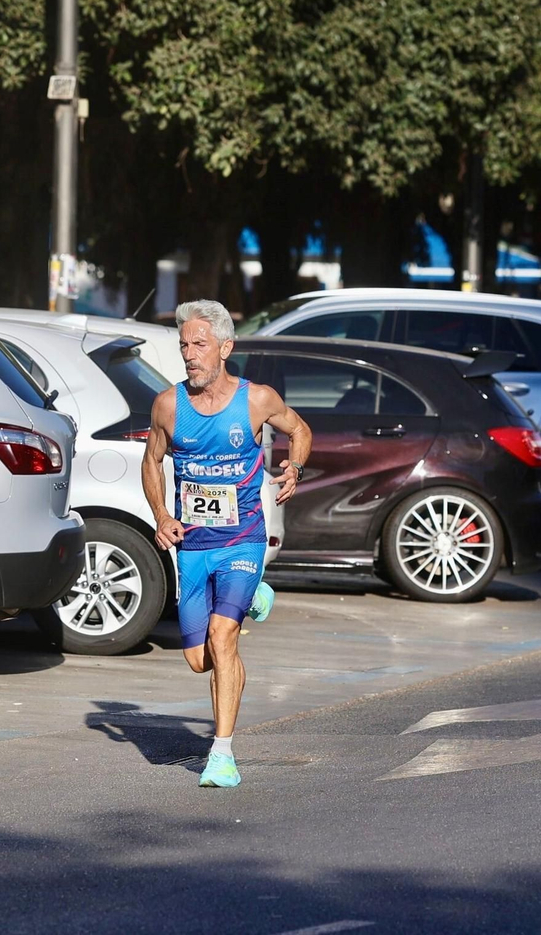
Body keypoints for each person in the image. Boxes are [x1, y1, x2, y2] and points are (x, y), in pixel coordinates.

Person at [142, 299, 312, 787]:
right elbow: (151, 461)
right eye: (183, 345)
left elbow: (300, 430)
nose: (189, 354)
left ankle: (221, 754)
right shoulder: (168, 405)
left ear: (225, 347)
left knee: (222, 637)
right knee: (201, 660)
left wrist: (294, 467)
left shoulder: (256, 400)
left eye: (199, 344)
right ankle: (254, 601)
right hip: (193, 545)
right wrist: (161, 515)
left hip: (242, 540)